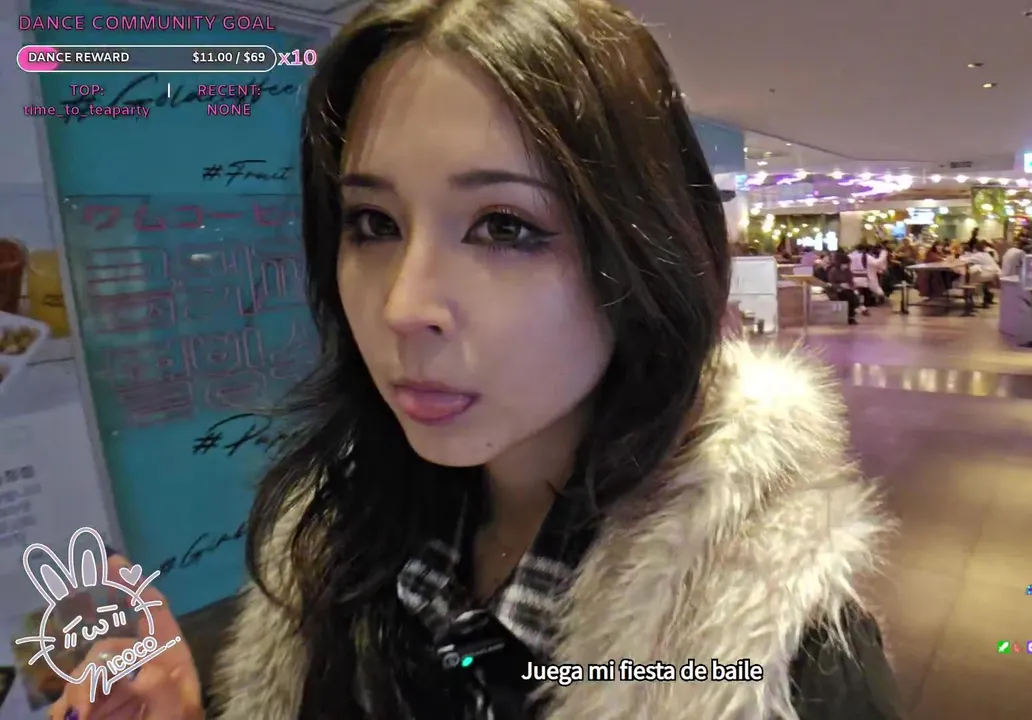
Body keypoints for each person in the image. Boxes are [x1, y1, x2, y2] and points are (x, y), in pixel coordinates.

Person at [50, 1, 900, 719]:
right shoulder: (334, 554)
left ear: (643, 253)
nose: (404, 306)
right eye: (373, 225)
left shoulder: (778, 664)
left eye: (505, 226)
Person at [826, 250, 863, 324]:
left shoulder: (848, 271)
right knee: (849, 296)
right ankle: (853, 314)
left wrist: (853, 288)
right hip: (836, 290)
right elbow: (831, 284)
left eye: (847, 264)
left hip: (847, 290)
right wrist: (840, 285)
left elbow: (851, 282)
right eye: (844, 264)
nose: (846, 266)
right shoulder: (833, 271)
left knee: (853, 294)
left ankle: (851, 315)